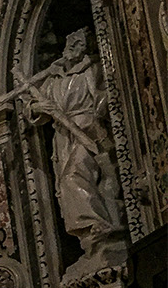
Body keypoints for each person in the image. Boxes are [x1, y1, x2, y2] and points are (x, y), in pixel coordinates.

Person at [20, 28, 128, 274]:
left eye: (78, 43)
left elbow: (106, 98)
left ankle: (100, 226)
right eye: (70, 42)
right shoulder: (54, 79)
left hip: (88, 131)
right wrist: (38, 107)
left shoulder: (93, 70)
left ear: (86, 47)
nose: (72, 47)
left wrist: (96, 113)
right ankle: (90, 240)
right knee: (63, 188)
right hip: (62, 135)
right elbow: (33, 109)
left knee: (75, 177)